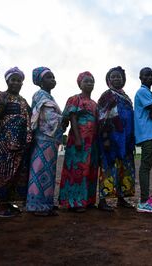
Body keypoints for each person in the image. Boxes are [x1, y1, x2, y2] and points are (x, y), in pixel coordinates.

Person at [0, 67, 32, 217]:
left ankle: (8, 204)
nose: (16, 83)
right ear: (7, 81)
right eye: (13, 79)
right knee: (2, 173)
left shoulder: (23, 101)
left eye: (19, 80)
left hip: (20, 145)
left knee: (16, 173)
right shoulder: (1, 97)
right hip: (3, 145)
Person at [59, 71, 99, 213]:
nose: (90, 84)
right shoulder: (75, 99)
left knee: (90, 170)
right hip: (79, 139)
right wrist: (77, 137)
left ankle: (87, 200)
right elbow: (72, 118)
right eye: (86, 81)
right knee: (77, 170)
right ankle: (74, 202)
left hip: (92, 141)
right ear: (80, 84)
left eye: (92, 81)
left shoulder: (95, 103)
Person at [26, 67, 63, 216]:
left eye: (53, 76)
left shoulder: (47, 96)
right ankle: (38, 206)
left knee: (47, 172)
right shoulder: (41, 95)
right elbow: (49, 117)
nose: (52, 79)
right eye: (48, 77)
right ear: (40, 81)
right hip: (44, 139)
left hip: (49, 140)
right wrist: (64, 119)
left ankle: (45, 204)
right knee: (41, 170)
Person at [97, 66, 135, 212]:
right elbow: (102, 118)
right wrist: (107, 138)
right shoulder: (107, 95)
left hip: (125, 139)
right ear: (108, 80)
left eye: (119, 76)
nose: (116, 78)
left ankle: (121, 198)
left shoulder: (126, 97)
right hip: (111, 139)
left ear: (123, 79)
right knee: (109, 167)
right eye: (113, 77)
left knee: (124, 168)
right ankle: (103, 200)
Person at [134, 67, 152, 213]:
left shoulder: (147, 92)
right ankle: (144, 201)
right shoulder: (143, 91)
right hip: (148, 134)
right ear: (140, 77)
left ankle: (145, 199)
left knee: (146, 167)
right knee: (145, 168)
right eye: (146, 75)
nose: (150, 77)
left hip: (150, 133)